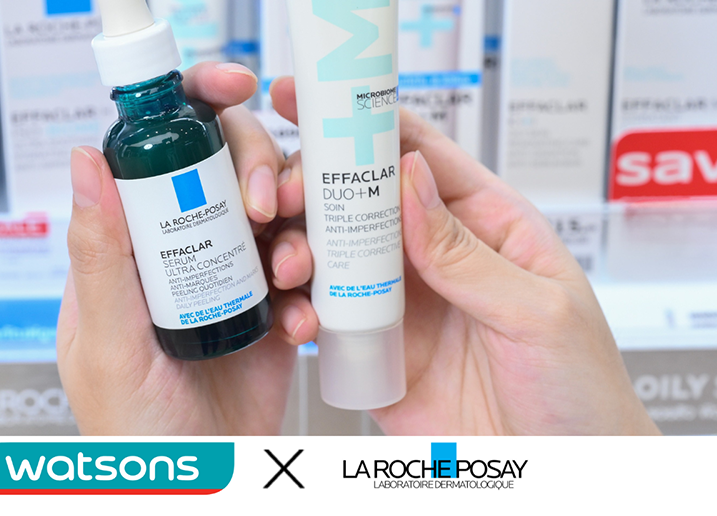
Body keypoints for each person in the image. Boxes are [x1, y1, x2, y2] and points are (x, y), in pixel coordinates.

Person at [58, 62, 659, 436]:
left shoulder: (185, 126)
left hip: (439, 374)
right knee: (269, 203)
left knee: (271, 201)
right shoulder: (136, 142)